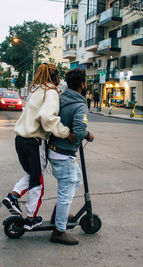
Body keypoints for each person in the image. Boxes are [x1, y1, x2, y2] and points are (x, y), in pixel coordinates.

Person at [2, 63, 75, 231]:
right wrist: (65, 133)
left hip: (20, 139)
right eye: (58, 76)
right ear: (54, 77)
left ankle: (13, 197)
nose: (59, 80)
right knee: (37, 182)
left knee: (32, 174)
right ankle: (30, 218)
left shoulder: (36, 90)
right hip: (34, 141)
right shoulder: (50, 91)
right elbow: (47, 117)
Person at [48, 68, 94, 245]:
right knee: (66, 192)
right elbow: (80, 130)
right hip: (63, 153)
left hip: (56, 149)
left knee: (77, 179)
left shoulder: (62, 98)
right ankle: (59, 231)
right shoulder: (80, 104)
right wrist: (88, 134)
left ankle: (59, 211)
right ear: (82, 84)